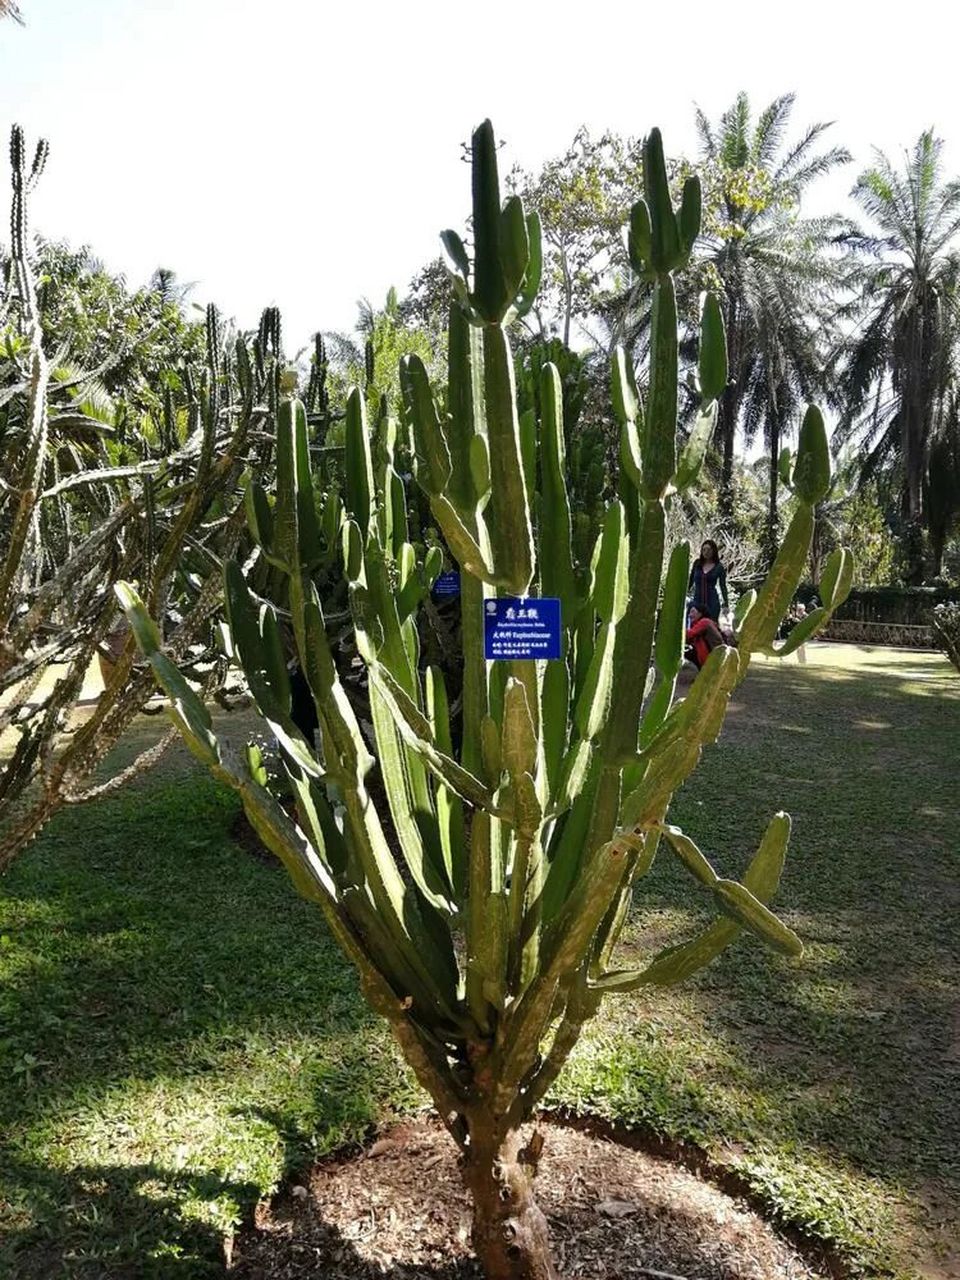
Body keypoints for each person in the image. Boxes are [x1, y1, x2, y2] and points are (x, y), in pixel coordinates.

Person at [688, 539, 729, 624]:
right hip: (697, 601)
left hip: (712, 602)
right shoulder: (697, 564)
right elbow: (690, 581)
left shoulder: (719, 567)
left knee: (710, 627)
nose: (706, 552)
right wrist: (683, 595)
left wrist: (726, 604)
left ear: (714, 551)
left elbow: (723, 586)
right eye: (704, 549)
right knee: (696, 627)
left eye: (709, 550)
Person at [685, 603, 726, 669]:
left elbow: (689, 634)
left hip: (712, 659)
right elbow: (688, 640)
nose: (690, 615)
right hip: (709, 659)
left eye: (692, 611)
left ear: (700, 613)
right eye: (689, 613)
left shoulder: (705, 622)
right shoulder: (699, 625)